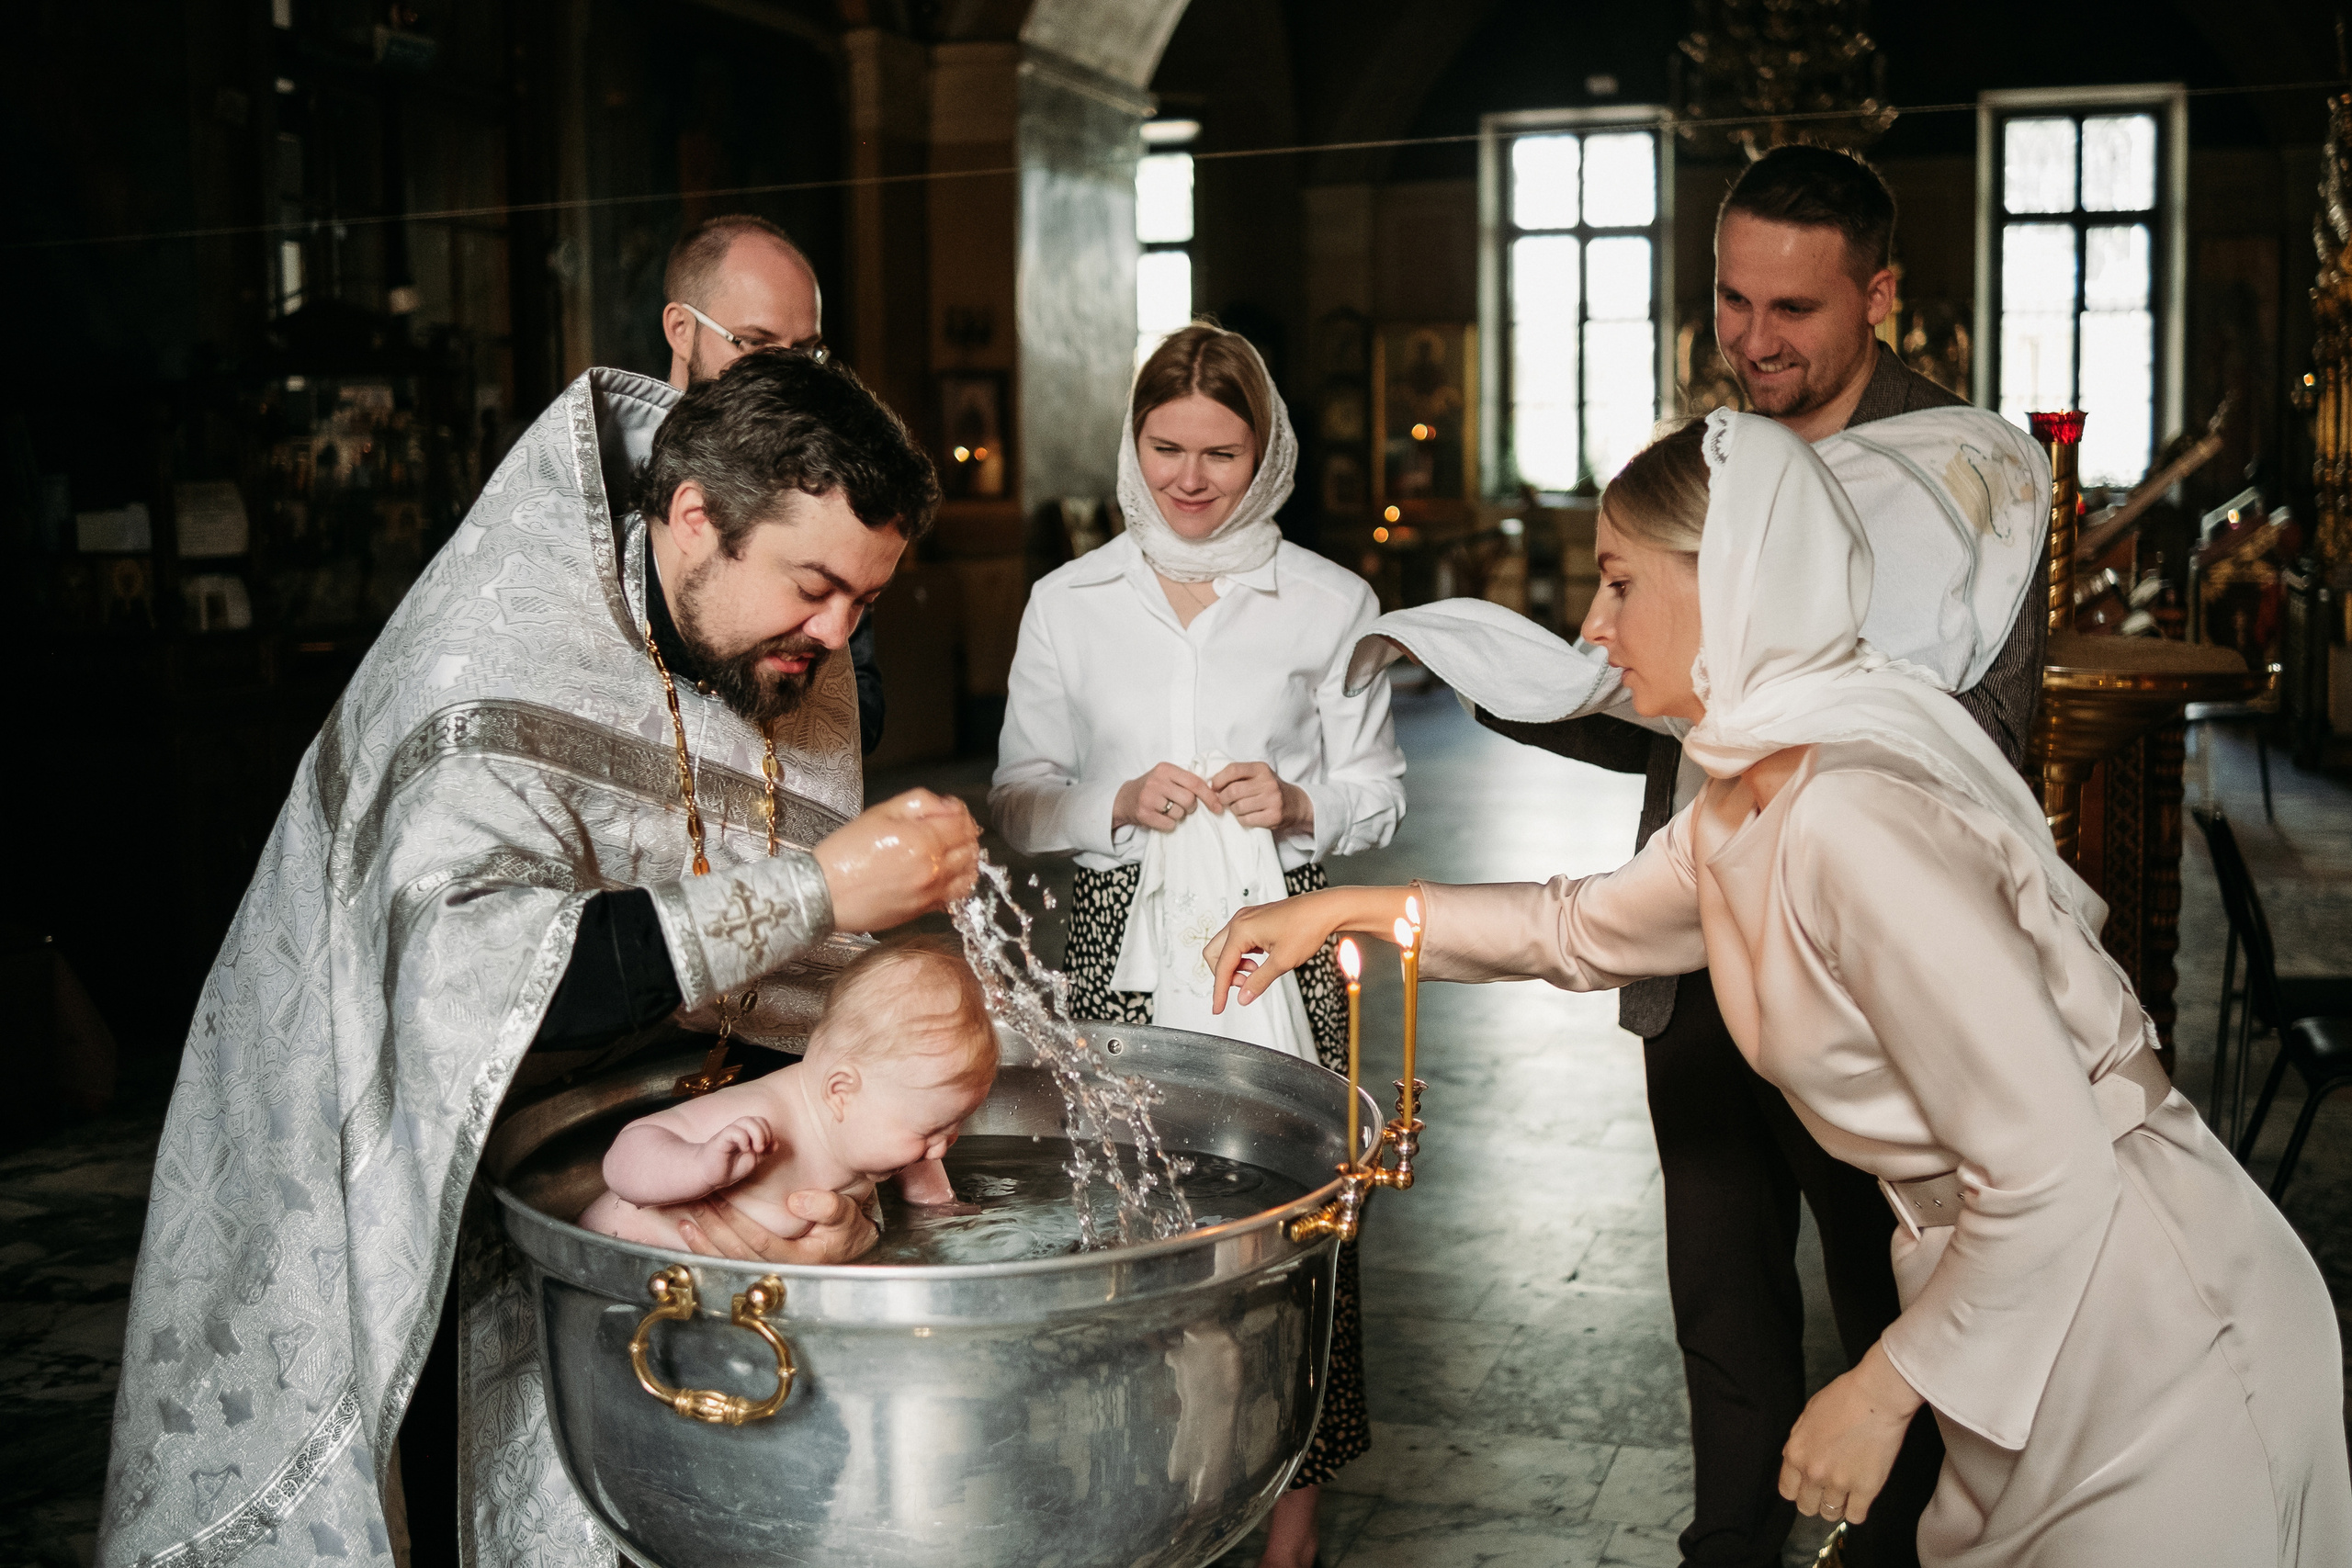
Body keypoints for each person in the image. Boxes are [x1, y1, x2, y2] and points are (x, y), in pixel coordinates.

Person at [1208, 411, 2352, 1568]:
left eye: (1618, 584)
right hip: (2007, 1281)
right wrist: (1341, 913)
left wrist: (1878, 1389)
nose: (1593, 628)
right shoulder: (1748, 796)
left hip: (2140, 1301)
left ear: (1734, 582)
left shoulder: (1853, 816)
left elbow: (2052, 1167)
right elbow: (1576, 927)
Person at [97, 350, 978, 1568]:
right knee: (432, 1492)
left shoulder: (784, 652)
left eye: (864, 602)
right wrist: (823, 888)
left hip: (617, 1136)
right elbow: (474, 993)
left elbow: (786, 984)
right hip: (392, 1139)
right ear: (693, 517)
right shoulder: (486, 655)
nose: (837, 636)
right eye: (816, 586)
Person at [1350, 145, 2040, 1568]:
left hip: (1864, 973)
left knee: (1891, 1302)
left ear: (1880, 296)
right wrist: (1523, 680)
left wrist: (1788, 725)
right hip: (1695, 953)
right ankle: (1726, 1544)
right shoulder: (1715, 454)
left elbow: (1981, 741)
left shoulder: (1963, 473)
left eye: (1793, 308)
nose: (1752, 340)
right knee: (1721, 1304)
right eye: (1732, 300)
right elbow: (1666, 728)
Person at [989, 322, 1406, 1568]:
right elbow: (1015, 801)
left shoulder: (1331, 601)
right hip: (1116, 933)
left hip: (1282, 930)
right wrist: (1114, 800)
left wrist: (1299, 801)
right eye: (1165, 447)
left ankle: (1292, 1525)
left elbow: (1381, 792)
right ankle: (1146, 1496)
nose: (1189, 477)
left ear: (1264, 452)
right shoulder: (1069, 601)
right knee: (1130, 1213)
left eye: (1221, 453)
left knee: (1302, 1214)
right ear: (1134, 443)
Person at [584, 939, 996, 1247]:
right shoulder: (764, 1119)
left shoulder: (881, 1120)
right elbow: (624, 1157)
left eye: (952, 1126)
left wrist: (938, 1207)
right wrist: (698, 1164)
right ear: (840, 1091)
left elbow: (917, 1161)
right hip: (618, 1259)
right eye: (929, 1131)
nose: (940, 1148)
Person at [662, 211, 886, 757]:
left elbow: (860, 703)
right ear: (681, 329)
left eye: (806, 352)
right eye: (758, 345)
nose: (789, 377)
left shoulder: (825, 470)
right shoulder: (604, 480)